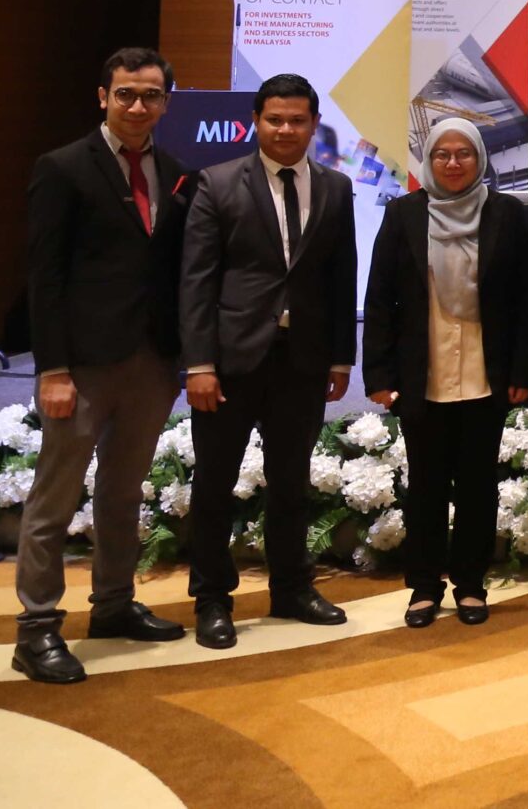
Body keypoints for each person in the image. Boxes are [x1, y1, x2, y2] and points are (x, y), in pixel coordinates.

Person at [10, 49, 193, 684]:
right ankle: (36, 628)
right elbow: (45, 278)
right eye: (125, 94)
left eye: (151, 95)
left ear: (166, 102)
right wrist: (52, 370)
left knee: (123, 491)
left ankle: (113, 604)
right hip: (82, 364)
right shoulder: (62, 167)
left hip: (151, 359)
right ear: (103, 97)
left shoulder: (175, 171)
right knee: (55, 496)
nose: (138, 106)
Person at [180, 73, 359, 650]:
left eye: (297, 120)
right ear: (255, 121)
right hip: (230, 360)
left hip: (302, 358)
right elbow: (197, 281)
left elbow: (341, 277)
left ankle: (291, 588)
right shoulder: (216, 182)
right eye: (275, 119)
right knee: (215, 483)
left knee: (291, 482)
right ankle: (212, 599)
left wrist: (341, 357)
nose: (286, 129)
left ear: (314, 125)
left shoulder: (335, 187)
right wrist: (198, 364)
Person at [362, 117, 528, 627]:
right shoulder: (403, 214)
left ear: (480, 158)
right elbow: (380, 299)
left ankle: (470, 585)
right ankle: (424, 587)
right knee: (424, 484)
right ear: (429, 161)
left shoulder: (507, 213)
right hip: (423, 373)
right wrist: (379, 375)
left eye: (464, 153)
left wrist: (524, 369)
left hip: (487, 371)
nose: (453, 162)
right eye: (442, 154)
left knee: (477, 485)